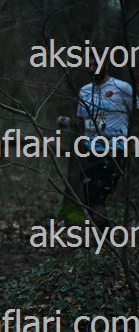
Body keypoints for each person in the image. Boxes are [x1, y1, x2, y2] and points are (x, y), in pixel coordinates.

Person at [58, 55, 138, 230]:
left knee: (96, 195)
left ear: (105, 65)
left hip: (115, 150)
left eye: (96, 64)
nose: (92, 68)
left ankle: (104, 238)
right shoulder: (85, 91)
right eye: (89, 65)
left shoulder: (122, 88)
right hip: (91, 152)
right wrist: (67, 122)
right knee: (89, 197)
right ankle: (104, 237)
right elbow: (83, 122)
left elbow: (136, 110)